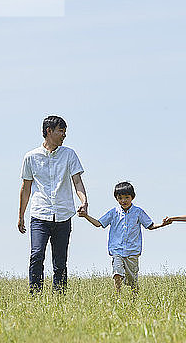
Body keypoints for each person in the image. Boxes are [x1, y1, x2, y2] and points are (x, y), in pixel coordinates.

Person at [18, 115, 88, 293]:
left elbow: (77, 181)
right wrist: (21, 216)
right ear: (49, 131)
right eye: (61, 131)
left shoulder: (69, 154)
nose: (64, 135)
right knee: (37, 255)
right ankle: (35, 296)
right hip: (40, 214)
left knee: (60, 260)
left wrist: (84, 201)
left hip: (63, 215)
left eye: (65, 131)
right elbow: (26, 188)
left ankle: (59, 298)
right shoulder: (31, 157)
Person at [77, 181, 170, 294]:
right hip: (117, 251)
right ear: (116, 198)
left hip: (132, 252)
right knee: (117, 273)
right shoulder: (114, 212)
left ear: (132, 197)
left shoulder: (138, 212)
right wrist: (86, 216)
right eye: (120, 198)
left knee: (132, 280)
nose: (123, 200)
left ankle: (134, 298)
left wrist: (162, 224)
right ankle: (118, 295)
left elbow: (150, 226)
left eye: (126, 197)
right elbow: (99, 223)